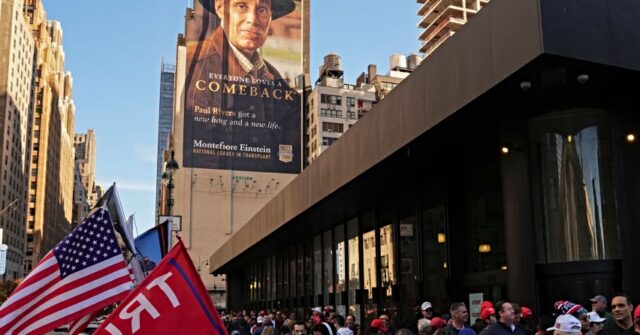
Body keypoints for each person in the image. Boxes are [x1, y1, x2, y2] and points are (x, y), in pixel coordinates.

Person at [185, 0, 302, 173]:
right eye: (242, 6)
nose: (252, 20)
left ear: (270, 16)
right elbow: (197, 154)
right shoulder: (194, 64)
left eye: (262, 10)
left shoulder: (275, 79)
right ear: (220, 8)